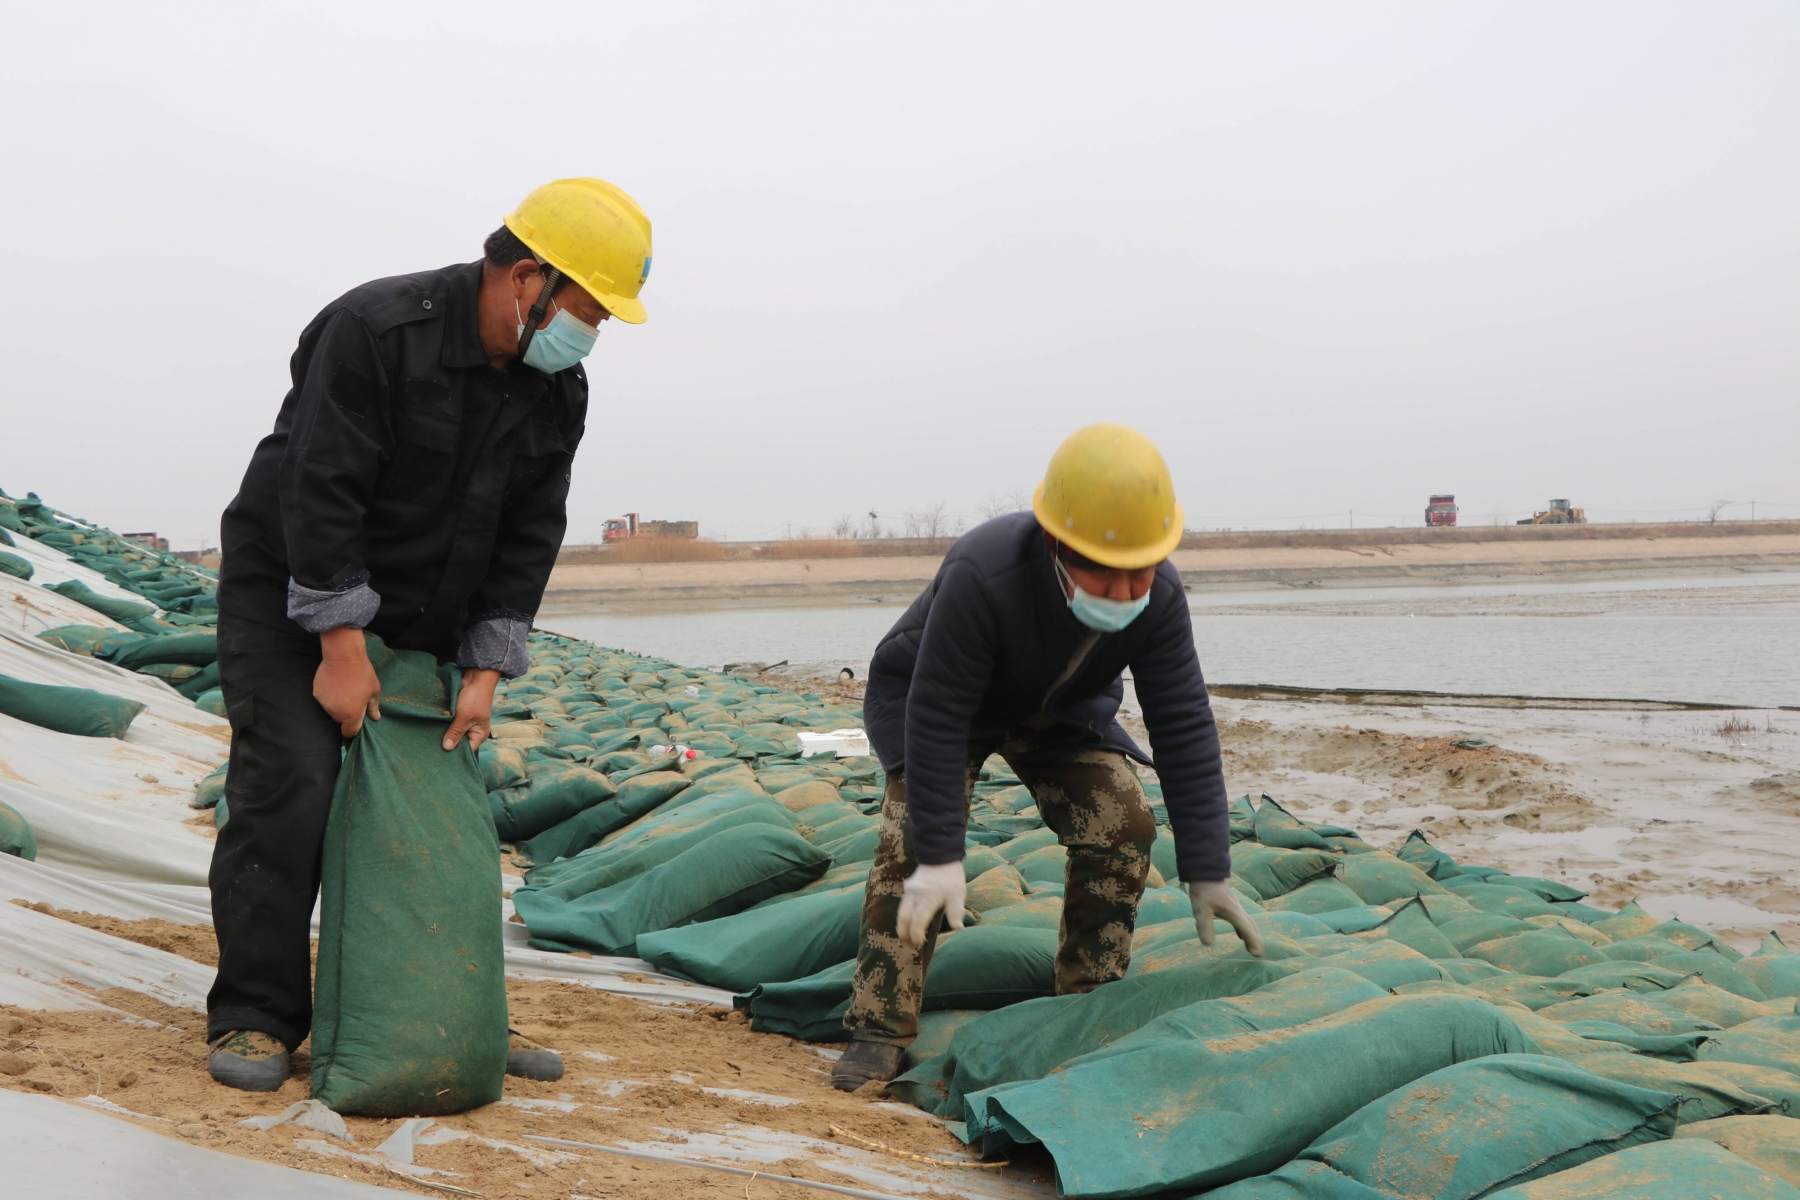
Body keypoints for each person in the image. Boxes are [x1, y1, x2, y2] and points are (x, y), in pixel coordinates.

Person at [205, 178, 652, 1092]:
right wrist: (339, 646)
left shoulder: (556, 386)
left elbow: (534, 526)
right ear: (527, 278)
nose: (590, 334)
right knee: (290, 784)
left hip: (432, 611)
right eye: (586, 310)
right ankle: (256, 1014)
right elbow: (319, 489)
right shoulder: (376, 330)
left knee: (442, 807)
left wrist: (488, 663)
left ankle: (448, 1007)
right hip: (294, 590)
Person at [830, 424, 1263, 1091]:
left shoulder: (1161, 600)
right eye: (1102, 572)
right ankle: (878, 1027)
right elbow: (940, 712)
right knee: (914, 843)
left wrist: (1208, 864)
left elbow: (1182, 721)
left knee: (1124, 824)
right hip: (944, 704)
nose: (1123, 593)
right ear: (1059, 543)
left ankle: (1086, 1000)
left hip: (1059, 711)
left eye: (1139, 571)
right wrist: (945, 857)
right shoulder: (985, 573)